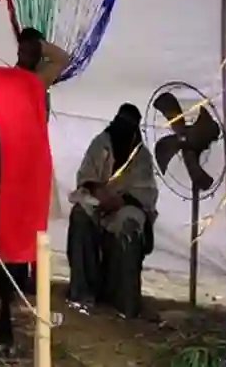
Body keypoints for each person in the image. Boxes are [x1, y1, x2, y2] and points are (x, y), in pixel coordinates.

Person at [66, 103, 158, 318]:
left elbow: (145, 193)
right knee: (80, 214)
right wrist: (98, 191)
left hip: (127, 206)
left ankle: (123, 301)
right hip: (98, 202)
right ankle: (83, 293)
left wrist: (121, 200)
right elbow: (86, 177)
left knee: (129, 224)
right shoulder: (101, 143)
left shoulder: (141, 156)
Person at [5, 27, 71, 295]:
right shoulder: (13, 78)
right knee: (16, 218)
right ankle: (14, 273)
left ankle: (32, 275)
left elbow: (63, 59)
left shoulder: (39, 78)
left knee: (36, 220)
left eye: (31, 50)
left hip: (35, 157)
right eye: (22, 49)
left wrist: (41, 46)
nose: (25, 54)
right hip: (14, 156)